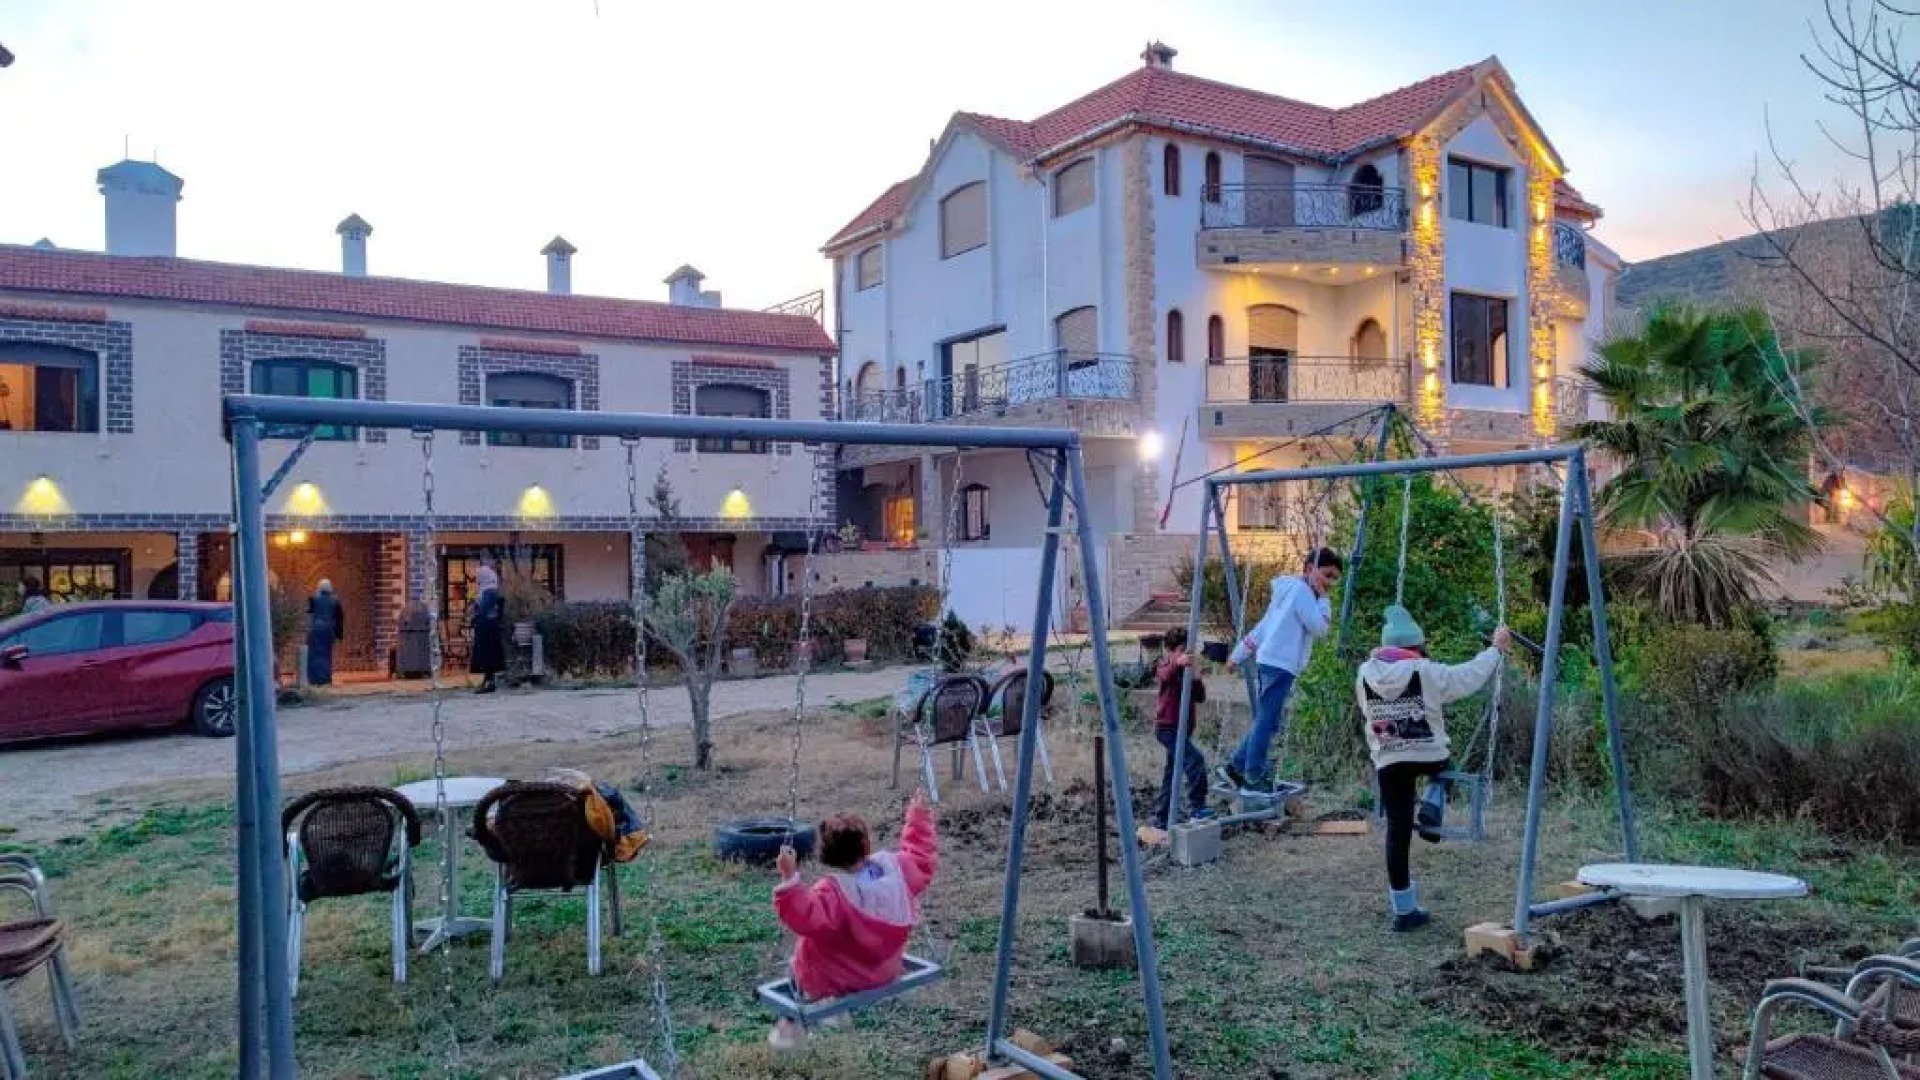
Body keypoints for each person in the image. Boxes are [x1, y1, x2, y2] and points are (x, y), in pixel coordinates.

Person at [1356, 604, 1509, 931]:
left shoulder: (1364, 673)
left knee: (1397, 833)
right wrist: (1496, 649)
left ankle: (1404, 911)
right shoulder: (1424, 671)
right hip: (1428, 754)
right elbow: (1468, 677)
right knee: (1444, 765)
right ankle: (1432, 800)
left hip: (1389, 759)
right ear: (1415, 646)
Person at [769, 790, 939, 1048]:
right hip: (884, 971)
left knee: (805, 951)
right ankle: (833, 1013)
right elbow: (921, 856)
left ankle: (795, 1027)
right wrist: (918, 816)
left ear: (825, 855)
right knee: (834, 943)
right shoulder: (898, 871)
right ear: (866, 846)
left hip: (835, 980)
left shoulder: (833, 894)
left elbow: (803, 915)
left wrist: (789, 877)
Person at [1220, 546, 1342, 796]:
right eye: (1327, 575)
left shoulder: (1287, 592)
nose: (1330, 583)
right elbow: (1320, 629)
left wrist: (1238, 655)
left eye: (1334, 579)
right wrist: (1325, 600)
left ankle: (1235, 767)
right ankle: (1252, 776)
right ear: (1310, 569)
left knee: (1268, 721)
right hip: (1280, 665)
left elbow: (1264, 628)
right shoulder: (1303, 594)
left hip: (1271, 662)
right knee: (1266, 721)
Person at [1152, 628, 1215, 831]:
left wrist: (1196, 677)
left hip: (1182, 729)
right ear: (1175, 649)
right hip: (1167, 728)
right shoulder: (1164, 664)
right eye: (1181, 650)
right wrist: (1175, 663)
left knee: (1172, 774)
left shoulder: (1186, 669)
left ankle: (1161, 820)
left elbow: (1200, 697)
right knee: (1195, 760)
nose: (1185, 655)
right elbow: (1163, 674)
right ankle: (1197, 806)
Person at [468, 563, 506, 693]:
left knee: (486, 657)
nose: (478, 580)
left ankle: (489, 683)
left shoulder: (488, 591)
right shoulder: (491, 590)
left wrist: (476, 618)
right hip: (491, 628)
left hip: (486, 629)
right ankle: (488, 681)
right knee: (489, 657)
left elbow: (484, 610)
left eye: (479, 577)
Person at [305, 580, 345, 686]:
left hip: (316, 631)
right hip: (329, 631)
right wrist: (339, 635)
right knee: (326, 656)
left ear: (319, 587)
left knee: (314, 656)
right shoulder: (335, 601)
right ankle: (325, 679)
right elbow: (340, 618)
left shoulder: (313, 599)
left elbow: (309, 613)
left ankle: (314, 679)